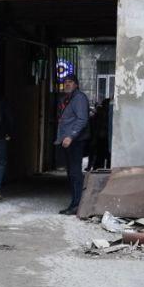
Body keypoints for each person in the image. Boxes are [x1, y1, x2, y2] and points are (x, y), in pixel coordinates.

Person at [56, 74, 91, 215]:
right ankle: (74, 204)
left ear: (76, 84)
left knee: (75, 173)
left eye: (70, 82)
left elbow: (82, 119)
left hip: (76, 141)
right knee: (71, 173)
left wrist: (70, 136)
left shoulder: (79, 98)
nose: (67, 84)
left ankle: (78, 205)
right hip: (69, 140)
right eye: (65, 82)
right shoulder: (69, 98)